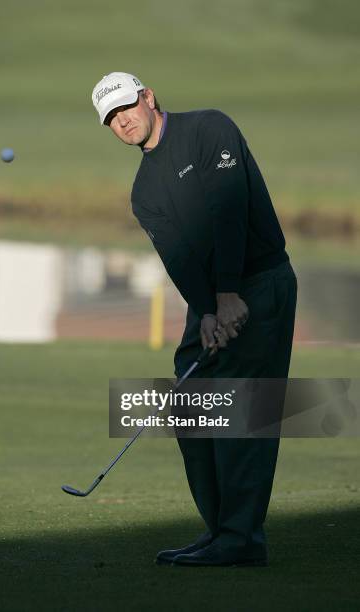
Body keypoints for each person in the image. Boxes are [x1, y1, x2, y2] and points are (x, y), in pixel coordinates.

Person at [91, 72, 297, 567]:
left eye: (127, 107)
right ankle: (220, 528)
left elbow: (230, 212)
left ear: (149, 97)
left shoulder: (210, 130)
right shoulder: (145, 192)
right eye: (112, 118)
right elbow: (179, 258)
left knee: (240, 409)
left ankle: (241, 538)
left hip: (260, 282)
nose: (123, 121)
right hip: (212, 299)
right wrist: (205, 309)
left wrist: (227, 295)